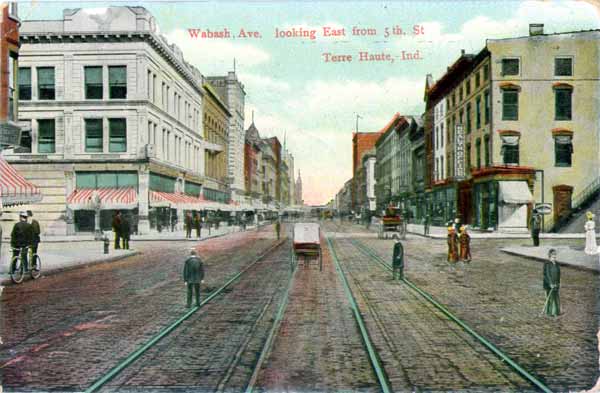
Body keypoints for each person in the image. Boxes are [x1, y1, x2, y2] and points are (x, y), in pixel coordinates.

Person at [543, 248, 561, 317]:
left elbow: (558, 274)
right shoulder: (547, 264)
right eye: (553, 257)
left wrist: (559, 282)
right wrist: (550, 283)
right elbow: (547, 275)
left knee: (556, 298)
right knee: (550, 299)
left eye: (555, 256)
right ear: (549, 256)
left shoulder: (556, 264)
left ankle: (557, 312)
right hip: (549, 285)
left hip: (556, 284)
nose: (554, 258)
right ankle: (549, 313)